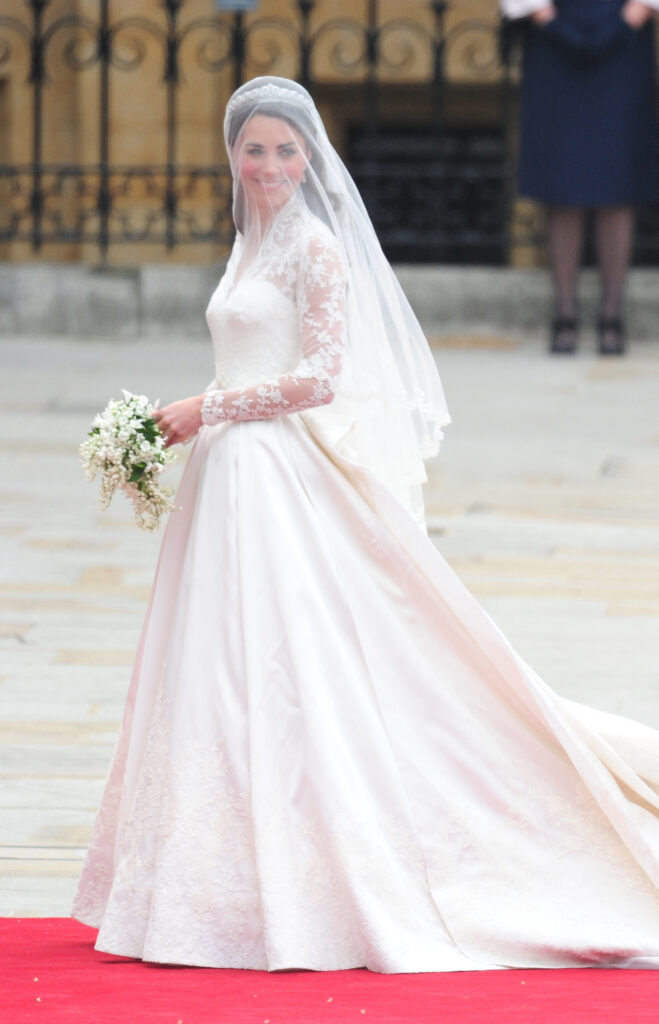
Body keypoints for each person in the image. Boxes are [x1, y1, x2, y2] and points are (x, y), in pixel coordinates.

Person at [73, 76, 659, 973]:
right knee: (217, 670)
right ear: (232, 153)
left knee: (284, 665)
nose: (269, 165)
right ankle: (213, 880)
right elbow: (251, 341)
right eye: (254, 148)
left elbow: (322, 377)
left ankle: (314, 867)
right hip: (228, 475)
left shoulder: (314, 246)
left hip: (271, 467)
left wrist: (204, 407)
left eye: (286, 149)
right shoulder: (247, 239)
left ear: (311, 158)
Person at [501, 0, 659, 354]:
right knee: (562, 178)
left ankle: (612, 314)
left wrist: (636, 13)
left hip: (625, 42)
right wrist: (543, 16)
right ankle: (565, 311)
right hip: (553, 40)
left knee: (619, 178)